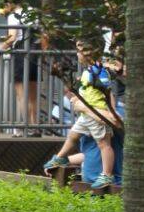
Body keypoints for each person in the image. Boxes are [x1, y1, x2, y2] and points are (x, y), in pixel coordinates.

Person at [43, 40, 121, 189]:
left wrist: (93, 106)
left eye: (79, 50)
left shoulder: (98, 71)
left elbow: (105, 90)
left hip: (96, 113)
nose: (77, 54)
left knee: (104, 144)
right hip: (86, 115)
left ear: (87, 53)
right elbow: (85, 87)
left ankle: (106, 174)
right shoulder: (88, 71)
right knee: (73, 135)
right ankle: (60, 158)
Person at [1, 0, 41, 136]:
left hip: (20, 53)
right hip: (34, 54)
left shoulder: (13, 16)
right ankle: (35, 127)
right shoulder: (32, 13)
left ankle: (25, 126)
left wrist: (0, 50)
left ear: (10, 4)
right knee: (32, 95)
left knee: (21, 94)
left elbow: (12, 37)